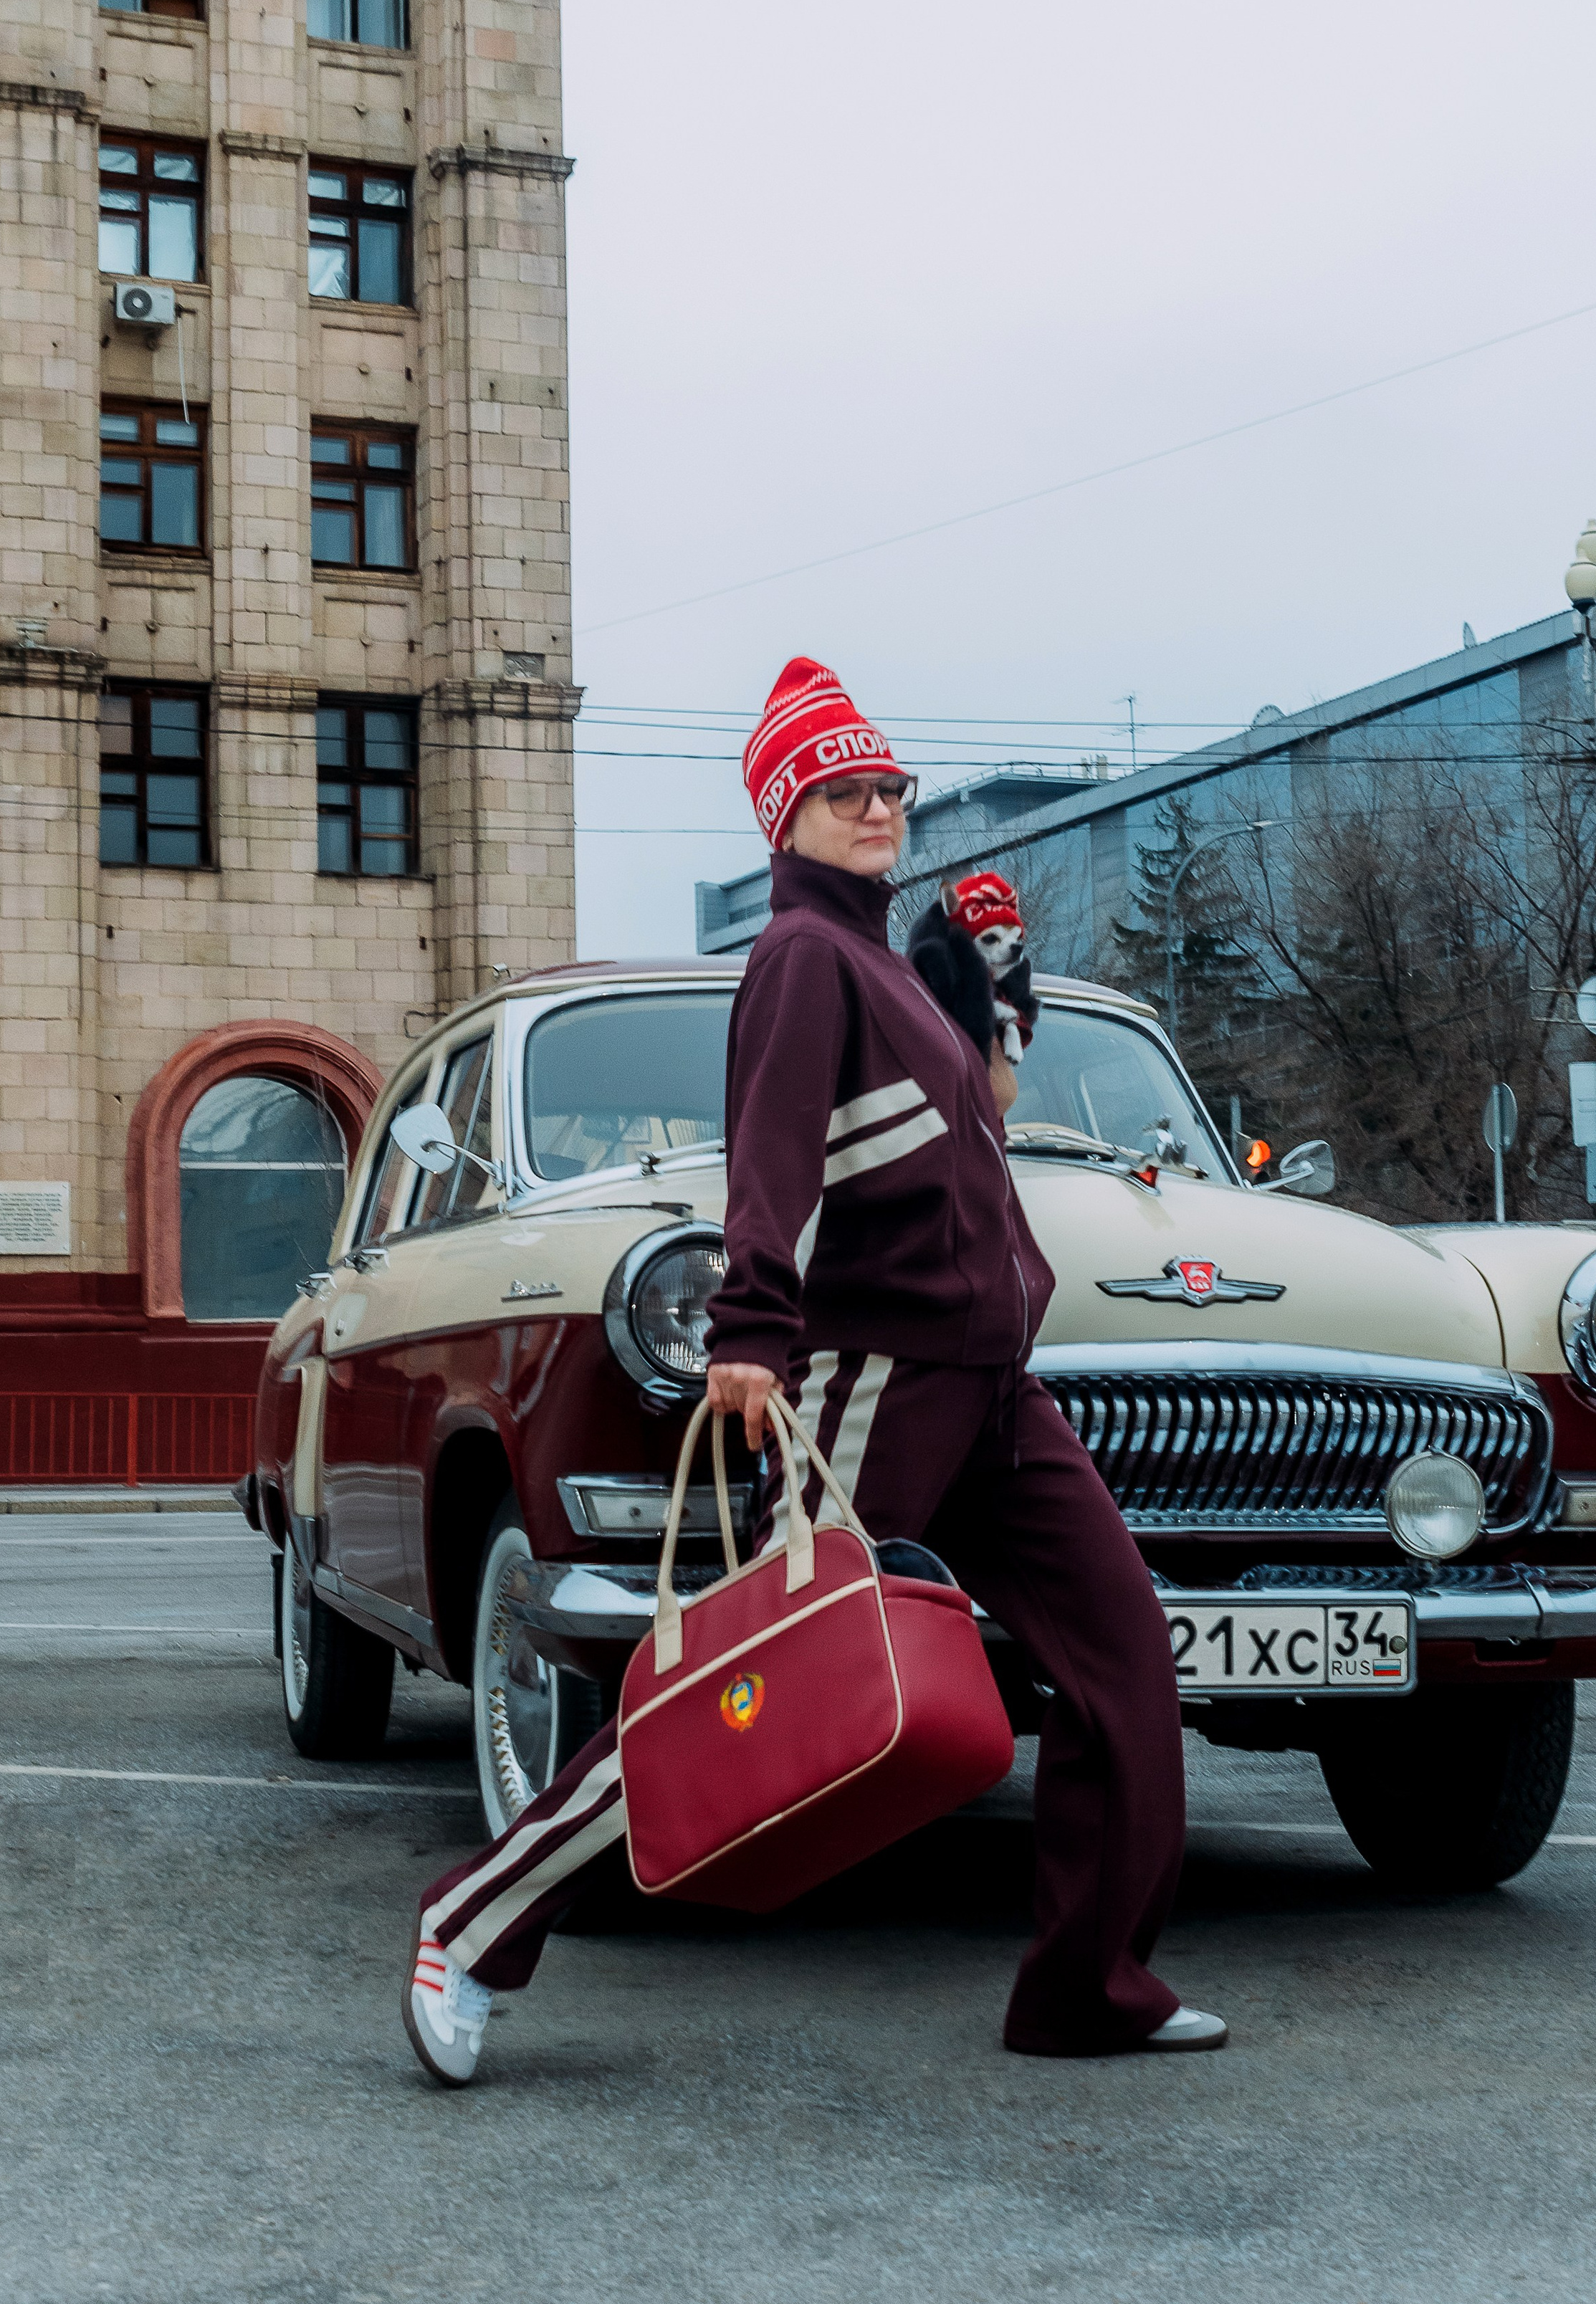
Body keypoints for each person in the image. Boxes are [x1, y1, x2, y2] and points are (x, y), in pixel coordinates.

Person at [401, 658, 1223, 2085]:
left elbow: (988, 1112)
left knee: (1122, 1656)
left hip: (992, 1385)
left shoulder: (892, 970)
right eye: (842, 792)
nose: (875, 808)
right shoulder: (797, 961)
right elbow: (770, 1157)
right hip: (874, 1379)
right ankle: (473, 1926)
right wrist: (747, 1338)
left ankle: (1086, 1987)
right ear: (784, 816)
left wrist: (998, 983)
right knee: (746, 1683)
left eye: (889, 788)